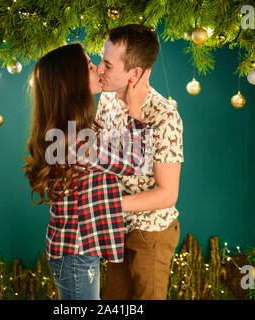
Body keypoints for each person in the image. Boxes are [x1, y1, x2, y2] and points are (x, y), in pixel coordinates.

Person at [22, 43, 152, 300]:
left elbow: (113, 151)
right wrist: (135, 107)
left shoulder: (72, 132)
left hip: (75, 253)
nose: (98, 69)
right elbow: (136, 161)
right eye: (90, 66)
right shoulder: (77, 141)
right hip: (76, 257)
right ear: (73, 82)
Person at [96, 24, 184, 300]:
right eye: (101, 59)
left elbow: (167, 194)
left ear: (134, 73)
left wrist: (109, 204)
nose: (99, 69)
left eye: (108, 65)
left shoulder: (164, 117)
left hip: (152, 233)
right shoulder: (107, 99)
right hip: (117, 229)